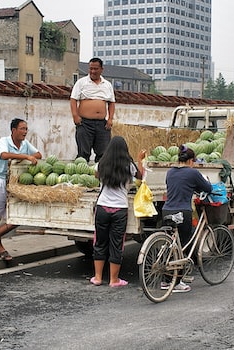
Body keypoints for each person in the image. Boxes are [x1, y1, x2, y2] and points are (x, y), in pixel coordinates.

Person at [0, 118, 42, 261]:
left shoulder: (25, 144)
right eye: (22, 129)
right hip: (0, 182)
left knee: (17, 217)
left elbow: (38, 154)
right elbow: (4, 155)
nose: (25, 132)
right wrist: (25, 156)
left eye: (26, 129)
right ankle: (1, 248)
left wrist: (26, 158)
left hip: (16, 185)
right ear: (13, 130)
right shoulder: (4, 141)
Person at [90, 136, 145, 287]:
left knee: (100, 242)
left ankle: (98, 277)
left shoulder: (102, 164)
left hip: (102, 208)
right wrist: (140, 160)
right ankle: (114, 280)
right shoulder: (128, 165)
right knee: (116, 244)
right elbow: (140, 177)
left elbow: (96, 175)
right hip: (120, 210)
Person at [161, 145, 213, 293]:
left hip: (166, 211)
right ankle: (177, 282)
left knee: (170, 244)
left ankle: (165, 281)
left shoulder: (170, 172)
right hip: (182, 212)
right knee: (184, 245)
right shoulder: (193, 173)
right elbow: (207, 188)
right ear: (191, 161)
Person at [70, 57, 116, 163]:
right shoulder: (81, 83)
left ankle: (101, 176)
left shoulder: (107, 85)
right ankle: (81, 176)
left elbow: (111, 103)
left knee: (103, 153)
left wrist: (110, 119)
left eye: (95, 69)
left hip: (102, 124)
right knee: (83, 153)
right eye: (91, 69)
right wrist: (75, 116)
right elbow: (73, 100)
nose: (93, 71)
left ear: (101, 69)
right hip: (84, 123)